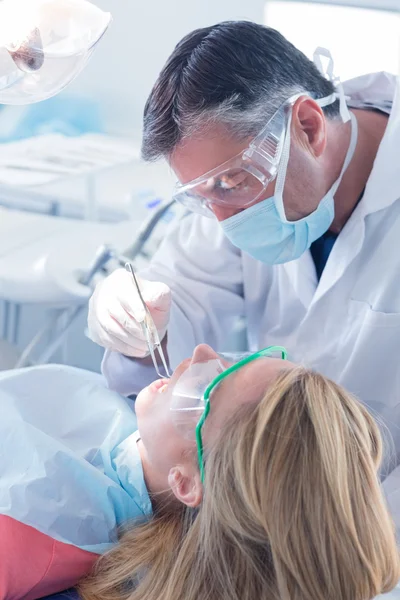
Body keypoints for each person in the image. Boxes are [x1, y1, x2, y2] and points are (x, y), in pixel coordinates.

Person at [87, 20, 400, 515]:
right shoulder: (240, 185)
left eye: (231, 183)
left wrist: (345, 542)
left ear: (309, 127)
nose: (222, 220)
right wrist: (144, 328)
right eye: (199, 196)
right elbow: (181, 302)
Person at [1, 345, 399, 599]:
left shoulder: (37, 532)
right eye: (236, 358)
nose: (201, 351)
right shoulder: (130, 435)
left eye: (211, 386)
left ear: (186, 482)